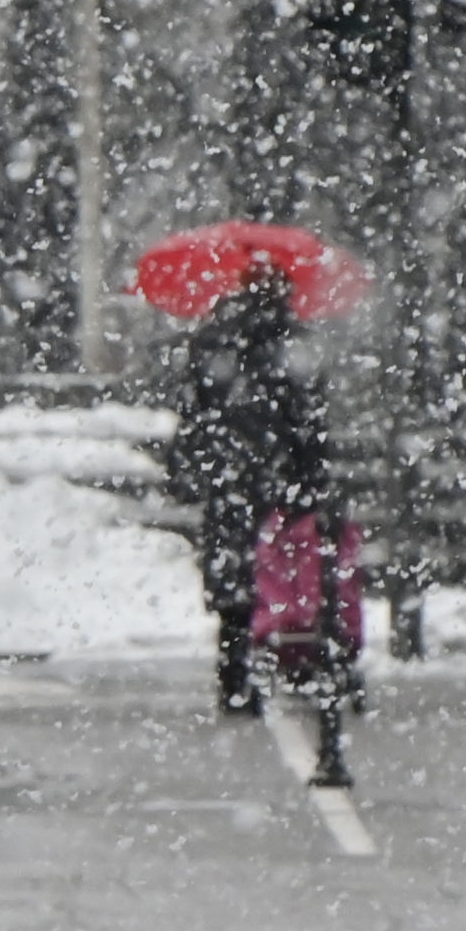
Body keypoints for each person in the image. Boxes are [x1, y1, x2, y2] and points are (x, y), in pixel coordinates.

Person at [165, 271, 330, 719]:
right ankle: (290, 664)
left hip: (228, 475)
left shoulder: (215, 339)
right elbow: (307, 418)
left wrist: (192, 465)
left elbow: (192, 408)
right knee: (284, 576)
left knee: (235, 581)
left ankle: (235, 674)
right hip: (275, 476)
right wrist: (309, 478)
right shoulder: (290, 345)